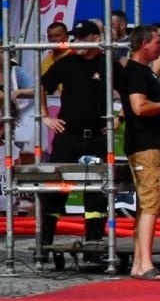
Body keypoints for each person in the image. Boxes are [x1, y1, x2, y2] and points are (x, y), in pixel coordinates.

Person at [37, 20, 112, 255]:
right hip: (68, 136)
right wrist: (45, 116)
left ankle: (94, 243)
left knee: (97, 192)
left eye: (81, 38)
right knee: (57, 188)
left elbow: (129, 91)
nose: (75, 43)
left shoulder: (107, 64)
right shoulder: (67, 63)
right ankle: (45, 243)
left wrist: (117, 121)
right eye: (74, 38)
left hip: (97, 137)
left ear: (94, 38)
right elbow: (42, 85)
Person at [120, 24, 160, 280]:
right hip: (148, 146)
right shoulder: (136, 73)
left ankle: (139, 262)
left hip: (151, 144)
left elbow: (148, 103)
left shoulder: (144, 73)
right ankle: (145, 263)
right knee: (150, 205)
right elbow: (139, 106)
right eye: (158, 41)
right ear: (144, 44)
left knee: (148, 204)